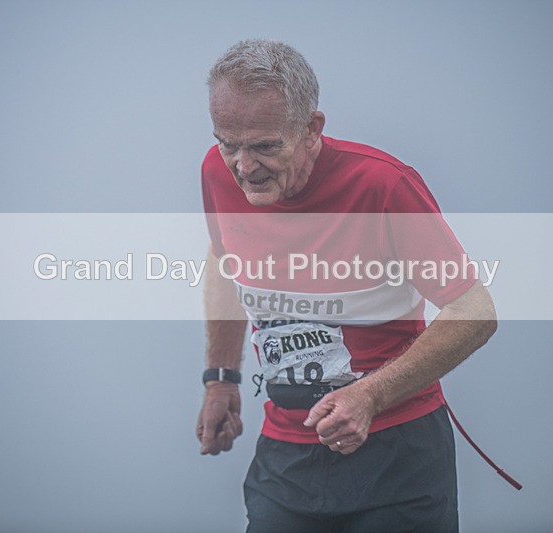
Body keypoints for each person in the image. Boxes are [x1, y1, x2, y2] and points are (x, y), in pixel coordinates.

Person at [196, 39, 497, 532]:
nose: (243, 166)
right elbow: (223, 261)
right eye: (229, 142)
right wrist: (221, 379)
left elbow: (475, 311)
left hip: (398, 455)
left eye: (266, 146)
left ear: (312, 129)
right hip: (286, 455)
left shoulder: (383, 184)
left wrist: (370, 396)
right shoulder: (217, 170)